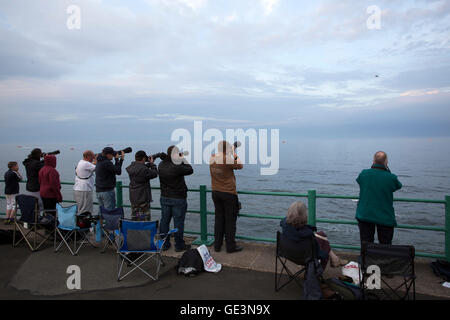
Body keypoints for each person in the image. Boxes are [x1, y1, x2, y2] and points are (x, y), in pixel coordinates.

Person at [280, 201, 346, 270]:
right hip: (304, 257)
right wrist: (326, 252)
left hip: (288, 254)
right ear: (304, 215)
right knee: (325, 247)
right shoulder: (308, 234)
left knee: (321, 234)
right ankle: (319, 272)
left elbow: (296, 230)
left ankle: (335, 259)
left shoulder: (285, 226)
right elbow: (319, 252)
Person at [355, 151, 402, 245]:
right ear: (386, 162)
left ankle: (366, 259)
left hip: (365, 214)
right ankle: (384, 259)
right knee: (385, 245)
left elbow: (359, 180)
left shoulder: (364, 174)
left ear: (373, 161)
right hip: (385, 216)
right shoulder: (391, 177)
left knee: (366, 244)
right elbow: (398, 186)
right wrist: (387, 170)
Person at [209, 141, 243, 253]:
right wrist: (234, 153)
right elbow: (240, 165)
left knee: (219, 220)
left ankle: (217, 246)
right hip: (228, 193)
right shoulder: (228, 159)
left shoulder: (212, 158)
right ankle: (230, 246)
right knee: (230, 221)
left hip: (216, 192)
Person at [158, 145, 193, 252]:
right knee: (178, 222)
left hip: (164, 197)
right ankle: (179, 245)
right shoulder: (177, 166)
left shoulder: (161, 164)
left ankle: (165, 244)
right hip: (178, 198)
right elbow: (190, 169)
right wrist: (182, 158)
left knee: (164, 221)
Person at [126, 151, 158, 221]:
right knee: (144, 219)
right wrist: (152, 164)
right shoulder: (143, 169)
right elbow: (155, 174)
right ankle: (143, 231)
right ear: (143, 158)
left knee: (136, 217)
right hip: (143, 198)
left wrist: (148, 164)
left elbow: (140, 169)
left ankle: (135, 231)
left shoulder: (131, 167)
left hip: (134, 198)